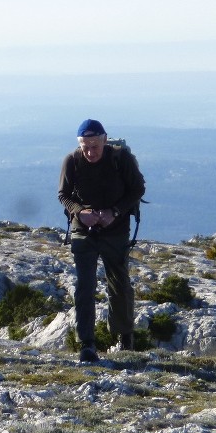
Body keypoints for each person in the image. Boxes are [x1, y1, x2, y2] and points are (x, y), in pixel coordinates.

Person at [58, 118, 146, 362]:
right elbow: (63, 194)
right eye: (85, 146)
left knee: (119, 284)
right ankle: (87, 344)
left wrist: (114, 212)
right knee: (84, 286)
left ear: (105, 141)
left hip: (115, 231)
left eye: (94, 146)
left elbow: (137, 189)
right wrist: (80, 212)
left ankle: (124, 338)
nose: (90, 151)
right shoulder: (72, 161)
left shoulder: (120, 159)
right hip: (83, 231)